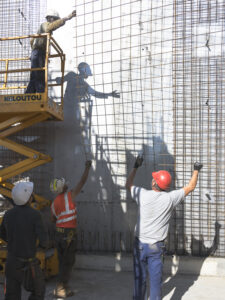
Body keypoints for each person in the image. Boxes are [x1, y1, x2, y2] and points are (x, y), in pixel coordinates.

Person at [125, 156, 203, 300]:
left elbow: (128, 184)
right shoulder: (170, 198)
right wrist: (196, 170)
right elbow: (191, 187)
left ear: (154, 182)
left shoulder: (142, 194)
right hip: (156, 248)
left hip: (140, 245)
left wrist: (135, 166)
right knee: (155, 284)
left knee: (139, 279)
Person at [50, 160, 92, 298]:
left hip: (58, 234)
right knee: (67, 263)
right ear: (63, 187)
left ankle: (63, 286)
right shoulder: (70, 195)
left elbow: (53, 219)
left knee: (63, 261)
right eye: (65, 183)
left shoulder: (54, 202)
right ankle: (61, 288)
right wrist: (87, 167)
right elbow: (83, 181)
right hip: (69, 235)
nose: (67, 184)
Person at [0, 181, 48, 300]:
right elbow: (44, 242)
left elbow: (2, 234)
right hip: (29, 262)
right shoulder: (36, 215)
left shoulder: (8, 214)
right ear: (28, 197)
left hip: (11, 262)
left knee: (11, 295)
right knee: (38, 291)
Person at [25, 9, 76, 94]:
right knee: (40, 75)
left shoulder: (41, 30)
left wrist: (36, 54)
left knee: (34, 76)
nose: (56, 21)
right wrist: (67, 18)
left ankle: (29, 95)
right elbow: (50, 27)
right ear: (51, 18)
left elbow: (31, 41)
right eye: (55, 19)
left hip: (37, 53)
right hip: (39, 53)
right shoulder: (45, 25)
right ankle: (41, 95)